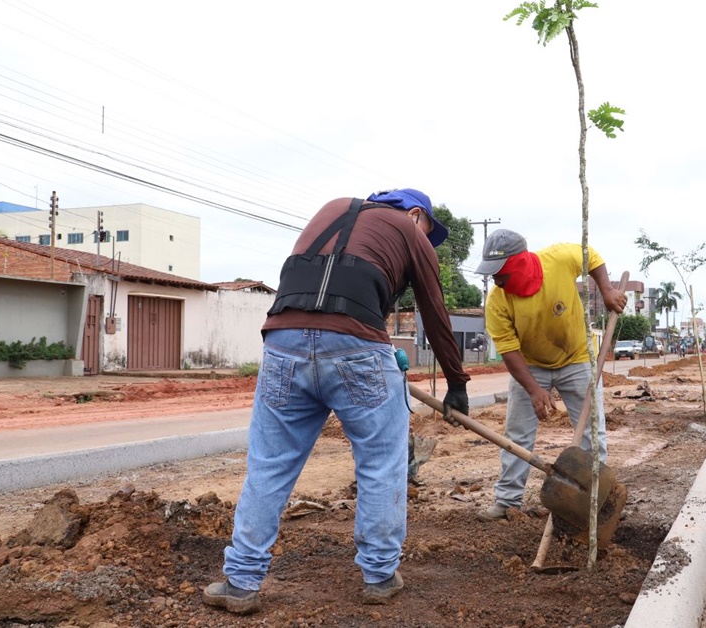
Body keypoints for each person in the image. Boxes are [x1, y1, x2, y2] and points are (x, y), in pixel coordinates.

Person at [203, 189, 471, 614]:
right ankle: (380, 576)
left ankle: (240, 582)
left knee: (270, 464)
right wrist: (456, 383)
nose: (426, 240)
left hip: (282, 342)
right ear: (416, 214)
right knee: (382, 463)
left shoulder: (330, 209)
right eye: (428, 230)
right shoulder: (409, 230)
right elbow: (435, 312)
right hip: (357, 346)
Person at [470, 229, 627, 522]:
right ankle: (507, 502)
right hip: (530, 366)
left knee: (593, 432)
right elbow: (509, 350)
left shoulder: (559, 258)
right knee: (517, 434)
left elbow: (592, 257)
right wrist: (533, 389)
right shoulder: (497, 301)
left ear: (520, 262)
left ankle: (596, 500)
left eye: (499, 273)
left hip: (578, 358)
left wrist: (606, 291)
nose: (496, 280)